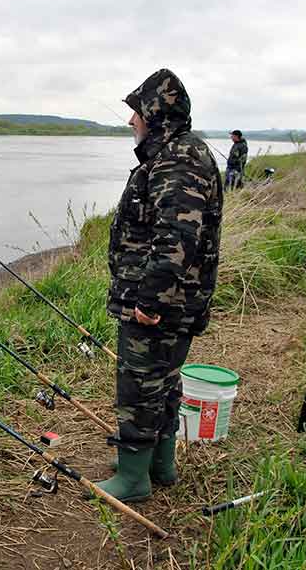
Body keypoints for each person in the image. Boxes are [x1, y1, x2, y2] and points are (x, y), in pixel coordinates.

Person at [96, 68, 224, 502]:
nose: (131, 121)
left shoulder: (177, 160)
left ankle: (133, 479)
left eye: (136, 112)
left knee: (140, 384)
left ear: (156, 114)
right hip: (175, 302)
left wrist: (148, 299)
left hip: (160, 304)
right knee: (165, 382)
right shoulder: (179, 153)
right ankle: (159, 463)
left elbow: (176, 237)